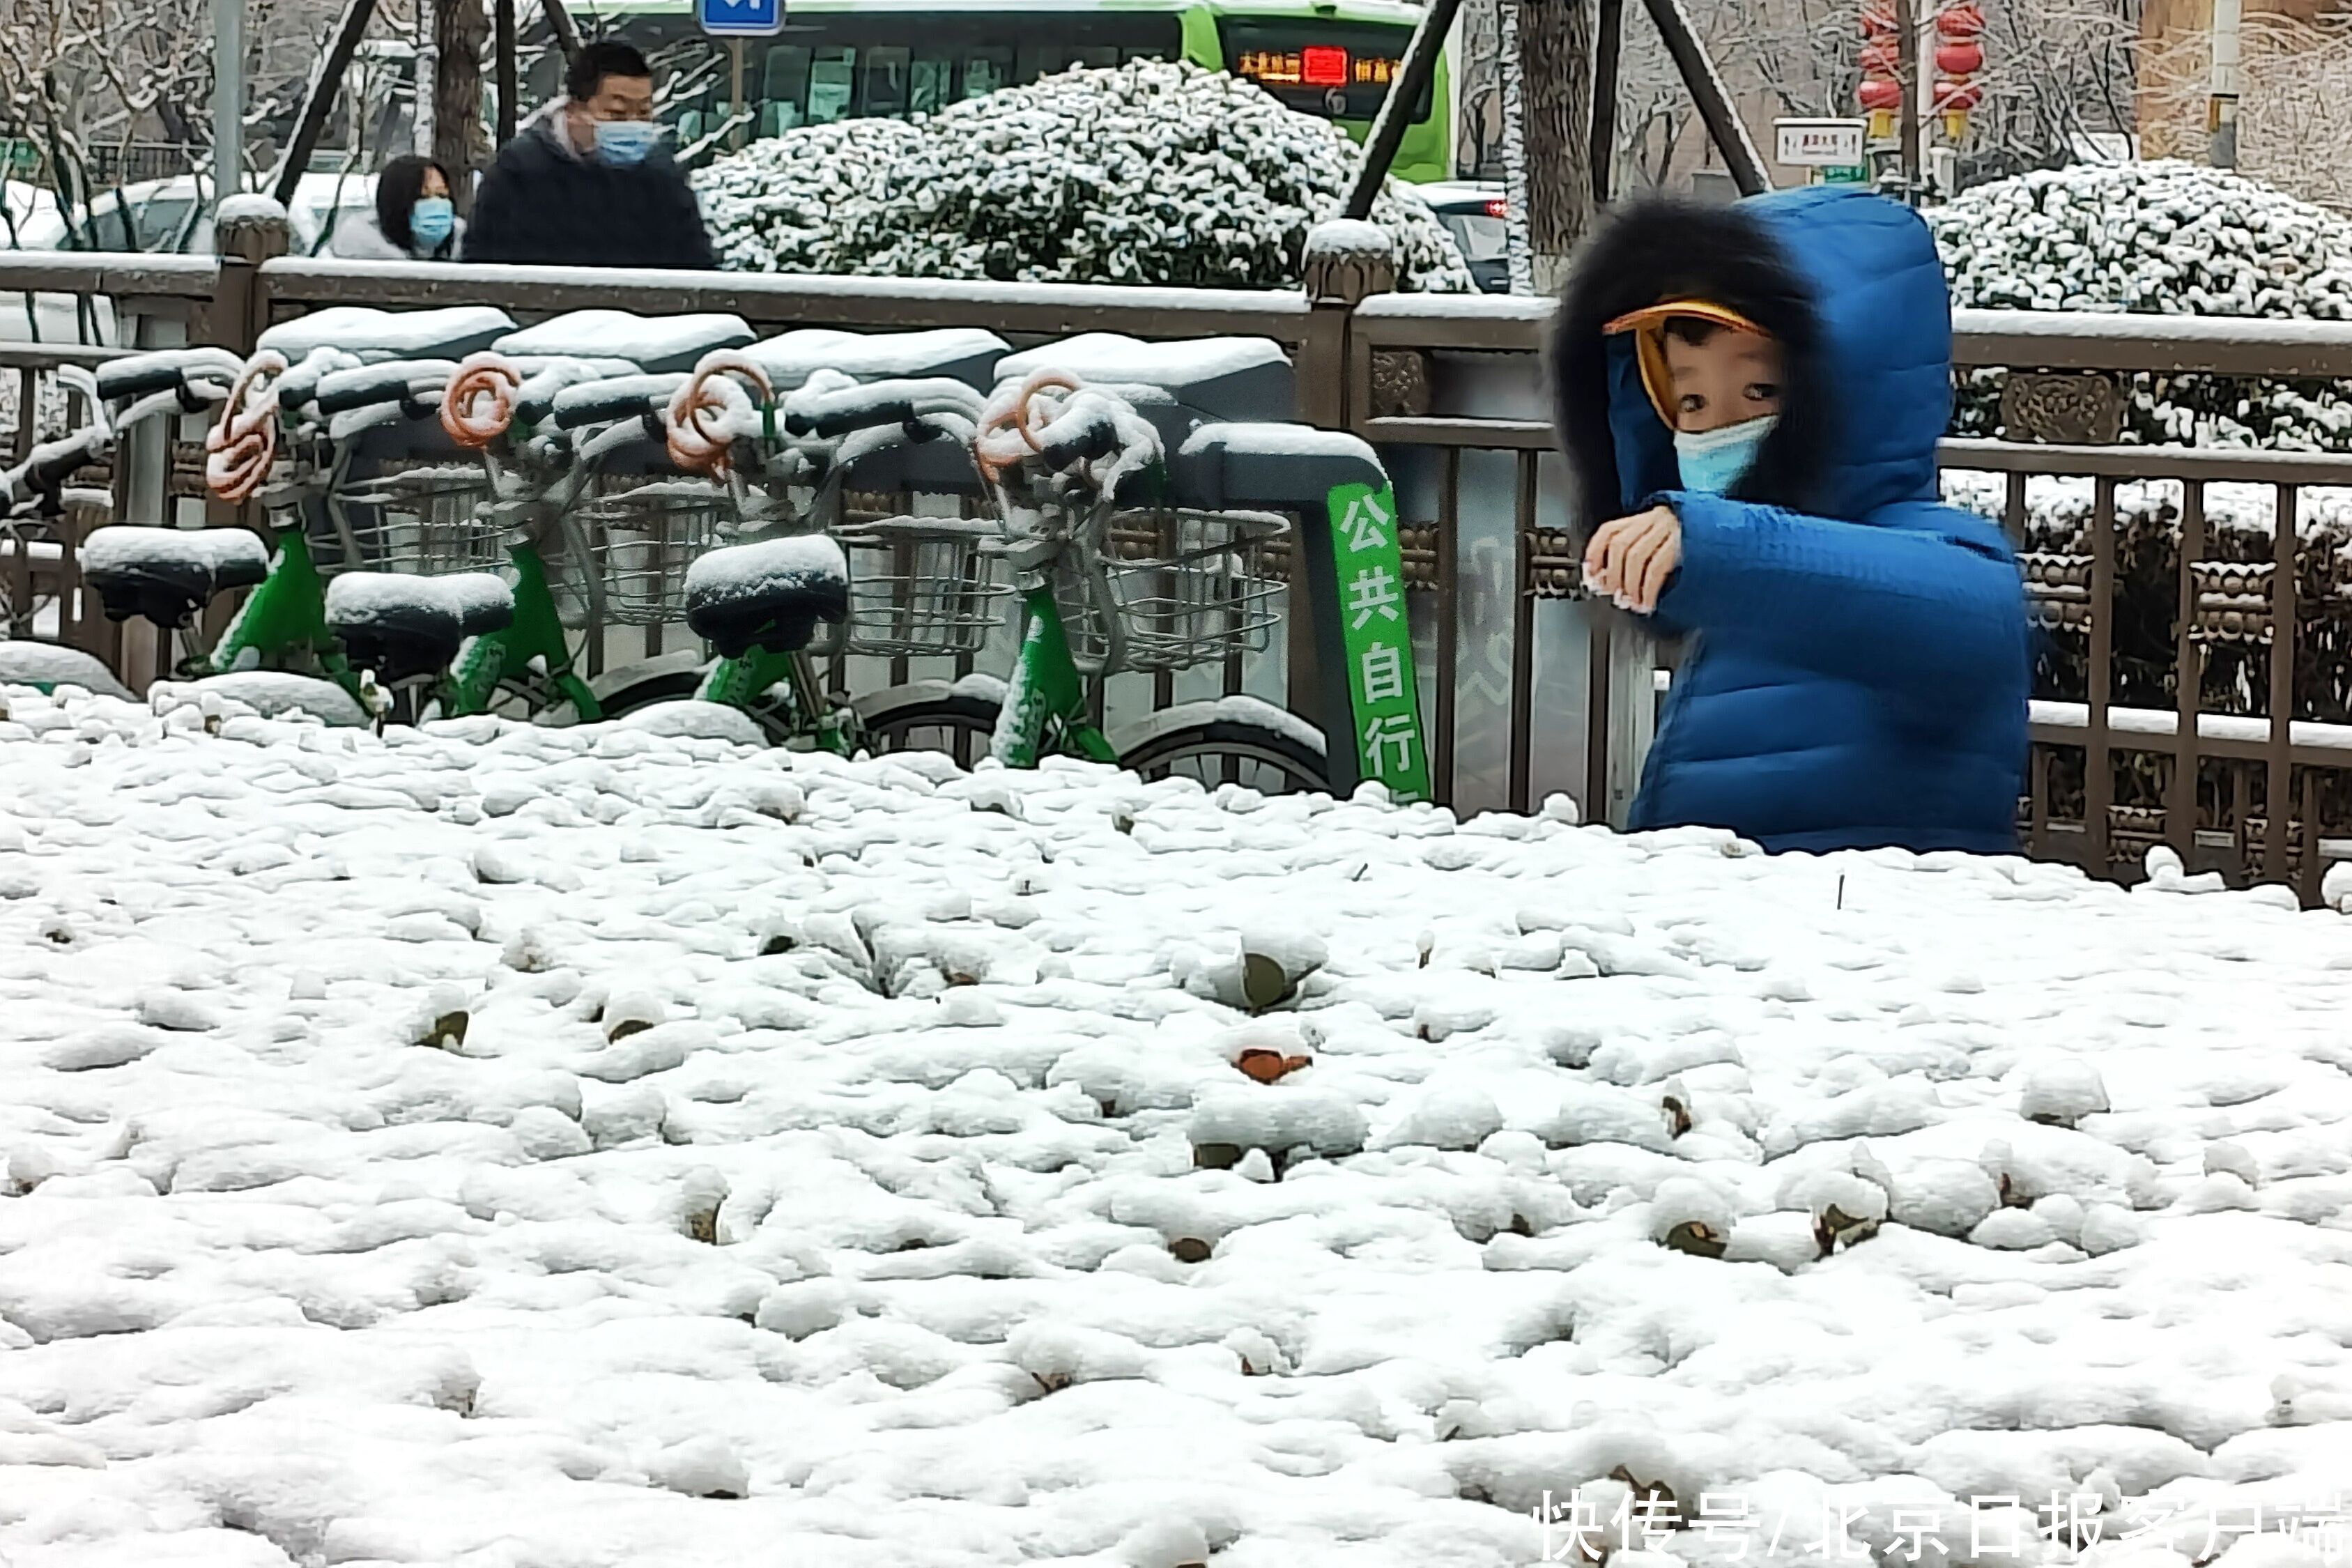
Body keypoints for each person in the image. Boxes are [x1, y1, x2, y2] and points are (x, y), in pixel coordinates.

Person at [1549, 187, 2029, 856]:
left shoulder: (1946, 556)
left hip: (1878, 946)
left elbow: (1966, 611)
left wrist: (1715, 544)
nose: (1718, 427)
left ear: (1846, 391)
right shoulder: (1734, 605)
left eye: (1759, 390)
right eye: (1689, 399)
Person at [462, 39, 714, 270]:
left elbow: (697, 266)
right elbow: (482, 264)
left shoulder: (662, 176)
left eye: (644, 113)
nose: (632, 124)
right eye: (616, 113)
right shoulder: (521, 169)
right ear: (573, 111)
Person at [330, 155, 464, 261]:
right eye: (423, 197)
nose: (436, 204)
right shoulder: (358, 250)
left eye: (441, 195)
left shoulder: (461, 243)